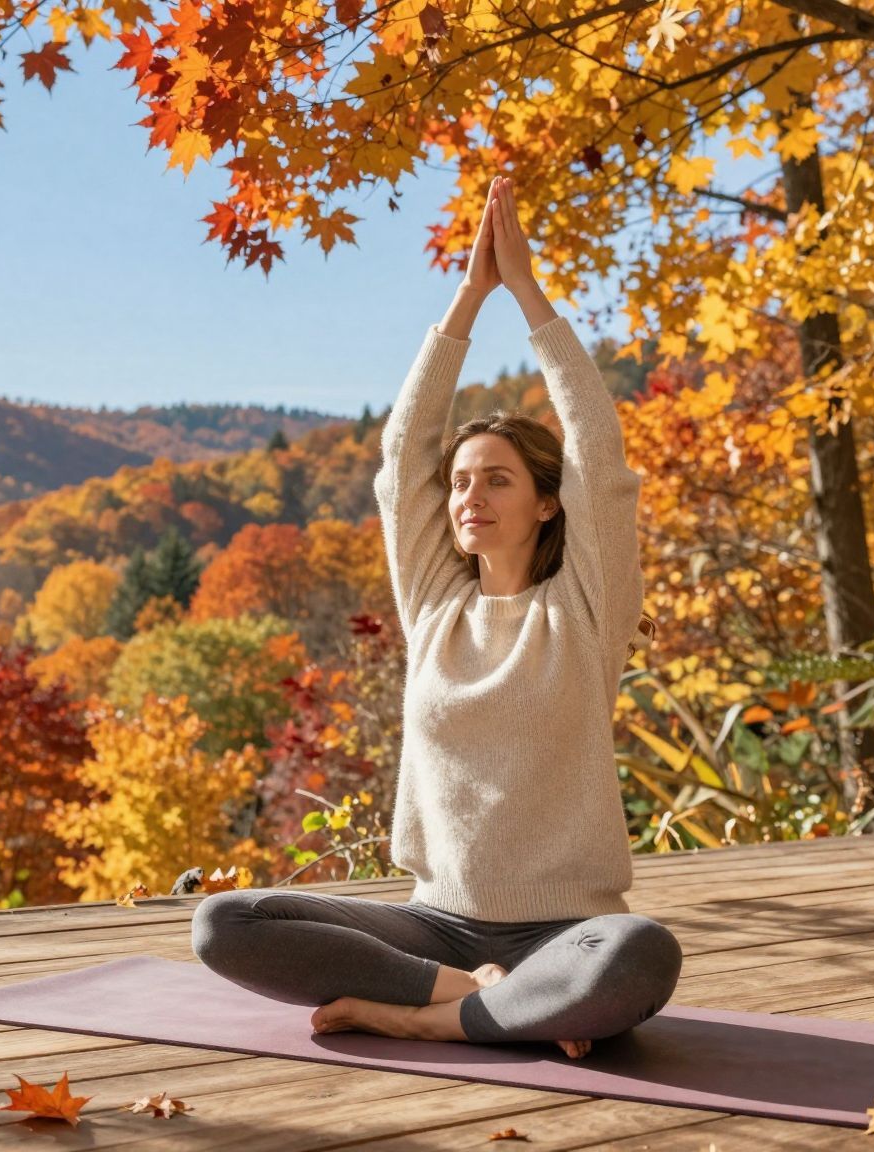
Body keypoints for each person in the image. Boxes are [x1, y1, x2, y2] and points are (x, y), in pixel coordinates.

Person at [190, 174, 680, 1059]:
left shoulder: (583, 611)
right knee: (225, 923)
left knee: (641, 954)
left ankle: (420, 1017)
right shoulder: (435, 606)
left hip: (564, 931)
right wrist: (465, 299)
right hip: (437, 931)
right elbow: (399, 457)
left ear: (546, 504)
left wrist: (524, 291)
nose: (469, 496)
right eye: (460, 482)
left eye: (497, 479)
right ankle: (489, 1006)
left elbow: (600, 456)